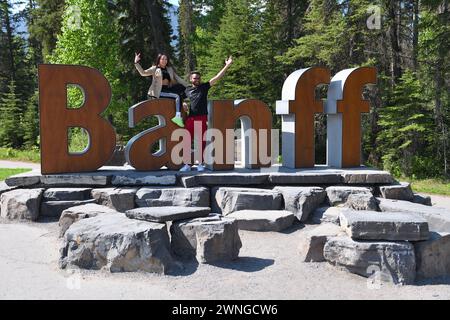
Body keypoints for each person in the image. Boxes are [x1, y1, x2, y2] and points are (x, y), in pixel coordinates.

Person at [180, 56, 233, 172]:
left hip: (201, 117)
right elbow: (179, 98)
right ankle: (188, 165)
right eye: (195, 78)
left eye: (198, 78)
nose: (197, 79)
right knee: (186, 141)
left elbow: (217, 78)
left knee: (200, 142)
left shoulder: (204, 87)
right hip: (190, 118)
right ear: (190, 79)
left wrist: (227, 65)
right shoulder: (187, 90)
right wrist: (183, 103)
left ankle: (200, 164)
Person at [134, 53, 188, 127]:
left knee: (181, 87)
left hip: (168, 89)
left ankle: (183, 104)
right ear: (159, 60)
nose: (164, 61)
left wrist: (189, 85)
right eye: (162, 59)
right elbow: (143, 73)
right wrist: (136, 63)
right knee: (177, 96)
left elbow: (178, 79)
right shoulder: (155, 68)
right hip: (159, 91)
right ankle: (177, 117)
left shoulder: (169, 69)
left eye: (166, 59)